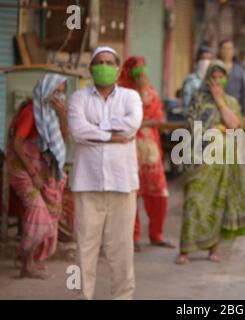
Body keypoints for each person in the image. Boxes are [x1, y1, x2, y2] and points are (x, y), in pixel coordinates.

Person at [68, 47, 143, 300]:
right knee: (84, 249)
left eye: (109, 62)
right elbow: (78, 131)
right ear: (90, 69)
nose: (104, 66)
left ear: (119, 68)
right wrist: (112, 136)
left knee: (122, 249)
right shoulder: (79, 98)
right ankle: (81, 296)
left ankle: (122, 297)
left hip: (123, 185)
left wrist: (96, 130)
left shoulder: (130, 97)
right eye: (99, 62)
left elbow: (132, 126)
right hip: (87, 184)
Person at [175, 60, 245, 265]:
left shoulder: (231, 102)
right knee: (194, 202)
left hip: (222, 163)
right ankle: (185, 248)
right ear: (207, 78)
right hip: (199, 160)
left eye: (221, 78)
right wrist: (218, 128)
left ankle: (213, 248)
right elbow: (194, 127)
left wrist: (220, 102)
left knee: (217, 204)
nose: (217, 82)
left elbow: (235, 126)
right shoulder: (197, 100)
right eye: (214, 78)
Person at [6, 74, 68, 279]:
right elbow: (16, 143)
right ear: (46, 90)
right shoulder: (31, 112)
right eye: (56, 91)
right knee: (37, 212)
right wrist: (33, 175)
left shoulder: (49, 113)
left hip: (39, 167)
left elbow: (63, 139)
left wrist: (63, 115)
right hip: (22, 169)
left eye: (62, 92)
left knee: (50, 210)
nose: (59, 96)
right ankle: (26, 265)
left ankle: (28, 257)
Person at [118, 56, 174, 251]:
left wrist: (140, 122)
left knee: (159, 193)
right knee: (132, 195)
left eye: (143, 68)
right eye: (136, 69)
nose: (141, 73)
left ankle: (156, 234)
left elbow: (157, 119)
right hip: (129, 150)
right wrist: (141, 120)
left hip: (151, 151)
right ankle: (132, 237)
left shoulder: (151, 91)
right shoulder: (122, 91)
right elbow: (126, 120)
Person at [218, 39, 245, 115]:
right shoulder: (215, 68)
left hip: (234, 109)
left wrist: (244, 111)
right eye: (224, 48)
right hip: (218, 108)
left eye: (229, 49)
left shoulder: (239, 70)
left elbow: (243, 92)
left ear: (233, 51)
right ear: (220, 50)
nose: (227, 51)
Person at [182, 47, 213, 116]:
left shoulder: (215, 80)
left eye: (208, 59)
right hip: (195, 118)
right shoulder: (191, 80)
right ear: (197, 61)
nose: (205, 62)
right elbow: (187, 102)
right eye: (203, 59)